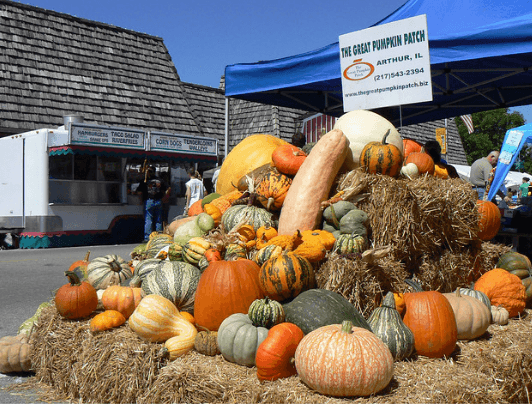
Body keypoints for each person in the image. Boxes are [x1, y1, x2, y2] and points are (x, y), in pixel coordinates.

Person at [137, 166, 169, 242]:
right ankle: (159, 237)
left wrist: (141, 200)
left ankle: (147, 238)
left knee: (148, 220)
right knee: (158, 220)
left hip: (149, 201)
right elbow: (168, 188)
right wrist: (164, 197)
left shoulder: (145, 181)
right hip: (158, 201)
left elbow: (139, 192)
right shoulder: (159, 180)